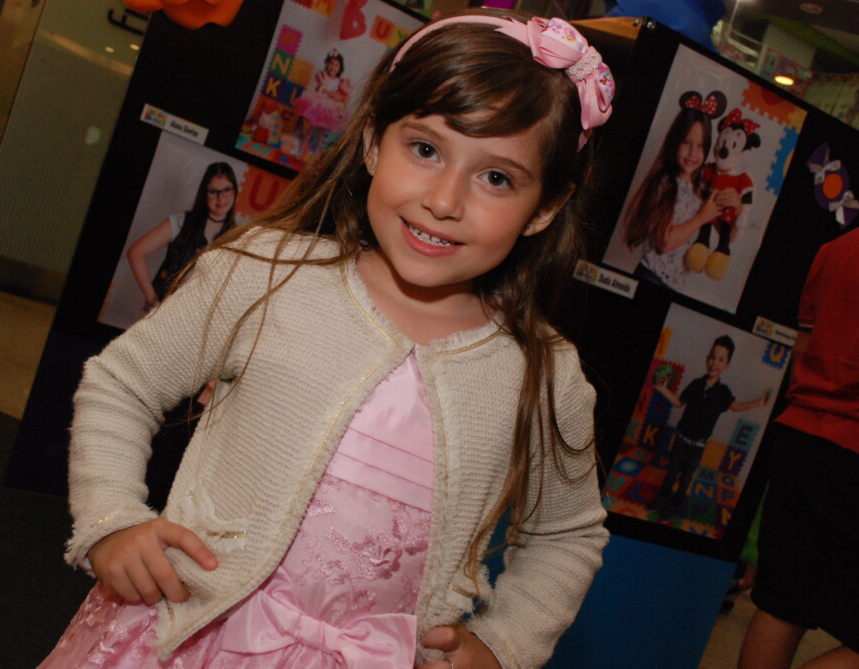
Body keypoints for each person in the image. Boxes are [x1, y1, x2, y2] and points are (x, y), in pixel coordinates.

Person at [40, 10, 615, 669]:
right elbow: (122, 383)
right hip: (184, 636)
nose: (445, 200)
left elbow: (566, 534)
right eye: (425, 150)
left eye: (496, 178)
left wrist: (504, 643)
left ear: (544, 207)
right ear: (372, 142)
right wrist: (111, 516)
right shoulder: (265, 272)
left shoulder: (545, 374)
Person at [738, 228, 859, 669]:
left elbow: (802, 348)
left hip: (801, 437)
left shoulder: (836, 249)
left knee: (783, 604)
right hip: (850, 448)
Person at [648, 335, 769, 516]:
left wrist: (758, 403)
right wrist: (663, 389)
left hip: (698, 447)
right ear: (707, 359)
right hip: (680, 440)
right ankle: (662, 498)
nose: (714, 363)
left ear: (727, 365)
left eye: (720, 359)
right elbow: (679, 402)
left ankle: (675, 504)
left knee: (686, 478)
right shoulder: (696, 384)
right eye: (712, 357)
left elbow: (735, 407)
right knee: (671, 472)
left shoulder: (723, 393)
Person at [623, 91, 725, 290]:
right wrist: (702, 217)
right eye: (686, 142)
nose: (693, 153)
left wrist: (736, 207)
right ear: (675, 141)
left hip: (674, 285)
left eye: (700, 146)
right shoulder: (665, 183)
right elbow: (666, 242)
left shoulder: (701, 189)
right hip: (651, 277)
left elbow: (727, 234)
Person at [126, 162, 238, 312]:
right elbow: (135, 252)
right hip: (164, 313)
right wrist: (152, 299)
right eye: (213, 192)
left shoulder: (239, 237)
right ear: (204, 194)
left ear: (235, 191)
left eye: (227, 190)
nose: (221, 198)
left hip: (199, 318)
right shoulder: (182, 222)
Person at [292, 49, 352, 159]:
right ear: (327, 63)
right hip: (319, 105)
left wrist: (343, 98)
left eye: (336, 65)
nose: (333, 67)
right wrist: (332, 94)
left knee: (321, 133)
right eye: (331, 64)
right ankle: (300, 151)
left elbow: (341, 94)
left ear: (340, 68)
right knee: (311, 129)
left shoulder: (339, 81)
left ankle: (316, 154)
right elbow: (321, 88)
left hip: (330, 109)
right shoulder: (322, 75)